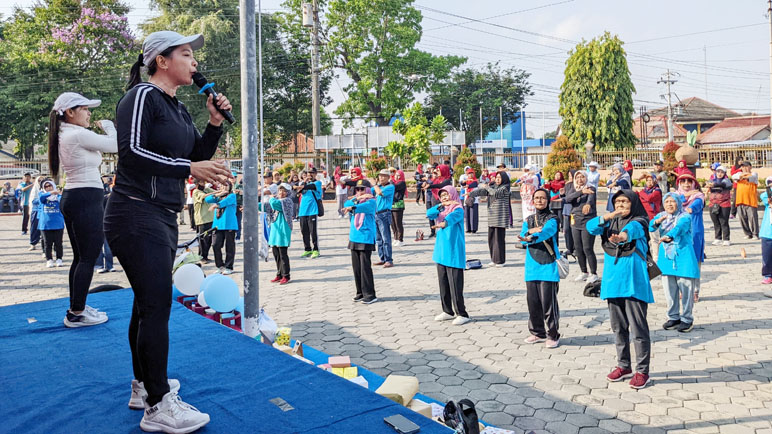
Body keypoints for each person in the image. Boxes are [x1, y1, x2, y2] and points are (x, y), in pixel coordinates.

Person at [105, 30, 232, 431]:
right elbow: (133, 153)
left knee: (146, 305)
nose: (195, 63)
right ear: (162, 60)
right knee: (157, 305)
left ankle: (145, 386)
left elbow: (194, 156)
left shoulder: (176, 108)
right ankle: (159, 406)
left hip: (160, 214)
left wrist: (213, 125)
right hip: (134, 212)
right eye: (186, 54)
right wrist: (189, 169)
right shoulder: (142, 96)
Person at [49, 91, 117, 328]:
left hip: (77, 197)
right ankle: (77, 313)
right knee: (88, 257)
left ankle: (76, 307)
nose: (89, 113)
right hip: (85, 198)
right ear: (70, 112)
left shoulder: (68, 133)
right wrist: (110, 127)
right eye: (85, 109)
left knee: (81, 258)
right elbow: (117, 145)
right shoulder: (77, 134)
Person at [587, 190, 654, 390]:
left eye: (625, 201)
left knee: (638, 328)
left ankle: (642, 371)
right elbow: (590, 227)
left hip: (634, 283)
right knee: (618, 328)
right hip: (613, 282)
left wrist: (623, 236)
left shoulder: (640, 221)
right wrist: (608, 216)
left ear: (633, 203)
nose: (621, 205)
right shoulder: (609, 222)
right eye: (617, 202)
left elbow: (632, 230)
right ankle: (623, 365)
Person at [650, 193, 700, 333]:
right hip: (666, 259)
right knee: (669, 291)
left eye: (673, 201)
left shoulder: (684, 216)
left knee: (686, 291)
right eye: (667, 202)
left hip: (683, 258)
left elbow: (680, 228)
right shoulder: (661, 216)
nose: (670, 204)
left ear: (678, 203)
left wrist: (669, 236)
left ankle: (687, 319)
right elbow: (651, 227)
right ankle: (673, 317)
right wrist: (657, 222)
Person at [518, 188, 561, 348]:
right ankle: (537, 332)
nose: (539, 201)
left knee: (548, 303)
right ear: (533, 200)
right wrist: (529, 232)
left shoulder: (553, 218)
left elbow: (546, 232)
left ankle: (553, 334)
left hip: (548, 265)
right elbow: (523, 238)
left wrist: (531, 235)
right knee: (533, 302)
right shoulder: (528, 220)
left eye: (543, 198)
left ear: (548, 200)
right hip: (531, 266)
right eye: (536, 198)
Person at [428, 185, 469, 325]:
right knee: (443, 282)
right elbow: (429, 213)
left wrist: (443, 223)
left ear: (453, 194)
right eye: (442, 195)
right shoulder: (442, 208)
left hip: (453, 250)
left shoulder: (458, 208)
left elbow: (450, 219)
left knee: (455, 284)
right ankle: (447, 311)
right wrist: (441, 206)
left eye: (447, 195)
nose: (445, 198)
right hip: (441, 251)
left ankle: (462, 313)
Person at [343, 179, 378, 304]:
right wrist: (356, 199)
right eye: (357, 189)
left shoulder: (372, 202)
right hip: (354, 237)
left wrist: (354, 204)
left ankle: (370, 294)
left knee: (365, 268)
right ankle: (360, 292)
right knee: (356, 268)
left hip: (366, 238)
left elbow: (360, 208)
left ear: (368, 190)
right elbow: (346, 203)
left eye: (362, 189)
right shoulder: (357, 200)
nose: (359, 191)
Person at [469, 171, 511, 267]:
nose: (497, 179)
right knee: (491, 239)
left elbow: (495, 194)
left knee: (499, 240)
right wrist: (471, 194)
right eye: (496, 177)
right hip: (492, 217)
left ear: (504, 179)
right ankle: (494, 259)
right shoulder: (493, 187)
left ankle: (500, 261)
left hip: (500, 218)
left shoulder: (505, 188)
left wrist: (487, 187)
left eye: (499, 177)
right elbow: (483, 192)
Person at [563, 170, 598, 283]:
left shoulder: (591, 188)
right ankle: (584, 271)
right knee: (578, 248)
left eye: (582, 177)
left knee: (587, 248)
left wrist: (588, 204)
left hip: (588, 220)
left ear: (586, 178)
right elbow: (568, 199)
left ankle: (594, 273)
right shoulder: (572, 188)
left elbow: (591, 200)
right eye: (577, 177)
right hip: (575, 220)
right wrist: (581, 192)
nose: (580, 179)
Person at [206, 182, 237, 275]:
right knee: (215, 245)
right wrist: (218, 194)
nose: (224, 187)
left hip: (229, 224)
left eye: (226, 185)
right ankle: (220, 265)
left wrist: (217, 205)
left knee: (229, 246)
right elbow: (207, 199)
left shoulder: (232, 196)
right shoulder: (218, 197)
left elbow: (225, 202)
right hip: (218, 225)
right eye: (222, 185)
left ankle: (229, 266)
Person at [267, 183, 294, 284]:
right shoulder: (277, 200)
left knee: (283, 254)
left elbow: (274, 204)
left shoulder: (287, 201)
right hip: (275, 229)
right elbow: (267, 207)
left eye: (283, 191)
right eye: (279, 191)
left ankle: (286, 276)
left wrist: (270, 197)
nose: (281, 193)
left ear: (287, 193)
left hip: (283, 228)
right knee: (276, 253)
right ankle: (279, 274)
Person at [296, 169, 322, 258]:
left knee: (313, 231)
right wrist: (303, 182)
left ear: (315, 174)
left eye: (312, 173)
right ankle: (307, 249)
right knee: (304, 231)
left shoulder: (318, 183)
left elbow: (309, 187)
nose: (310, 175)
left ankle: (315, 249)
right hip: (303, 210)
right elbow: (298, 192)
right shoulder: (303, 183)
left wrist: (303, 185)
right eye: (308, 173)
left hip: (312, 210)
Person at [39, 180, 65, 268]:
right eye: (46, 186)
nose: (48, 187)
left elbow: (62, 201)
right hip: (46, 224)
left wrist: (57, 194)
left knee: (58, 243)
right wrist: (50, 193)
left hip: (58, 223)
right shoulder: (42, 195)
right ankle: (49, 259)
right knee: (47, 243)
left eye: (50, 185)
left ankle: (59, 258)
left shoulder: (58, 196)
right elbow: (41, 198)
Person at [373, 169, 395, 267]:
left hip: (384, 214)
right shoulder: (379, 186)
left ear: (388, 177)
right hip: (376, 214)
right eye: (380, 176)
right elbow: (370, 191)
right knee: (378, 239)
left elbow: (380, 192)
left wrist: (375, 185)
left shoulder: (390, 187)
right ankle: (382, 258)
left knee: (386, 238)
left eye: (383, 176)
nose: (381, 178)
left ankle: (388, 259)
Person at [95, 175, 116, 273]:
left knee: (107, 246)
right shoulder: (92, 195)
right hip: (98, 222)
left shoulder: (106, 194)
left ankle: (108, 265)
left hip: (105, 221)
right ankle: (101, 265)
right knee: (100, 246)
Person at [732, 161, 759, 239]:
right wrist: (741, 175)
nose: (745, 168)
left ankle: (755, 234)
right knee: (742, 218)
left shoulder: (754, 174)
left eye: (746, 166)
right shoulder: (738, 174)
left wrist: (742, 177)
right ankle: (747, 233)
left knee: (753, 218)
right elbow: (734, 177)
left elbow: (751, 178)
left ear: (750, 167)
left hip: (750, 200)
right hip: (740, 200)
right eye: (743, 167)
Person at [424, 165, 452, 238]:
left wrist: (430, 186)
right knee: (435, 216)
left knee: (443, 216)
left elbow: (440, 185)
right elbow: (433, 183)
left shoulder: (447, 180)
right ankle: (434, 231)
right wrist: (426, 184)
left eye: (439, 170)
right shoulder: (437, 179)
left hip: (444, 201)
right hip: (435, 199)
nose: (437, 172)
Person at [708, 166, 732, 245]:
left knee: (723, 221)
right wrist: (711, 184)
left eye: (722, 172)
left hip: (724, 204)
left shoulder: (727, 180)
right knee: (715, 221)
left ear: (724, 173)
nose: (719, 174)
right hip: (713, 203)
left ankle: (726, 239)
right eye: (718, 172)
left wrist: (714, 185)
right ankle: (717, 238)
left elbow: (722, 185)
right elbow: (707, 184)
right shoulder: (712, 179)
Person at [193, 179, 216, 263]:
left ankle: (205, 256)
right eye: (201, 182)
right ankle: (201, 257)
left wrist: (220, 191)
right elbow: (204, 196)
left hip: (210, 218)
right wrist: (215, 193)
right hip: (202, 219)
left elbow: (215, 192)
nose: (203, 184)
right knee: (202, 239)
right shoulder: (196, 191)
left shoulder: (206, 189)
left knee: (209, 239)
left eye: (203, 182)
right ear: (197, 184)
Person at [27, 176, 46, 251]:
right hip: (36, 211)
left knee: (44, 229)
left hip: (45, 211)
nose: (41, 182)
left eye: (42, 180)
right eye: (39, 180)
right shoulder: (35, 190)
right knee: (34, 228)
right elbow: (33, 201)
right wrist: (42, 199)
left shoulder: (47, 188)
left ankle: (45, 249)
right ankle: (33, 243)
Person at [759, 178, 772, 284]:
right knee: (767, 256)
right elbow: (764, 197)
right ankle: (768, 275)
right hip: (768, 232)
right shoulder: (766, 195)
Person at [390, 169, 407, 246]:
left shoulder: (402, 183)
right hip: (392, 205)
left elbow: (394, 187)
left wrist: (390, 181)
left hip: (398, 205)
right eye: (396, 175)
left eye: (399, 175)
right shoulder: (393, 182)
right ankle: (395, 238)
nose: (397, 176)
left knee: (398, 223)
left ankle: (400, 239)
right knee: (392, 223)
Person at [461, 167, 479, 233]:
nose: (470, 175)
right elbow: (461, 183)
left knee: (473, 215)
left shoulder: (475, 181)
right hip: (467, 200)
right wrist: (464, 182)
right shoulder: (466, 181)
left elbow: (473, 185)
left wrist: (467, 186)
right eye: (469, 173)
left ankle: (473, 229)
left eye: (472, 173)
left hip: (474, 200)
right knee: (467, 214)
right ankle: (468, 228)